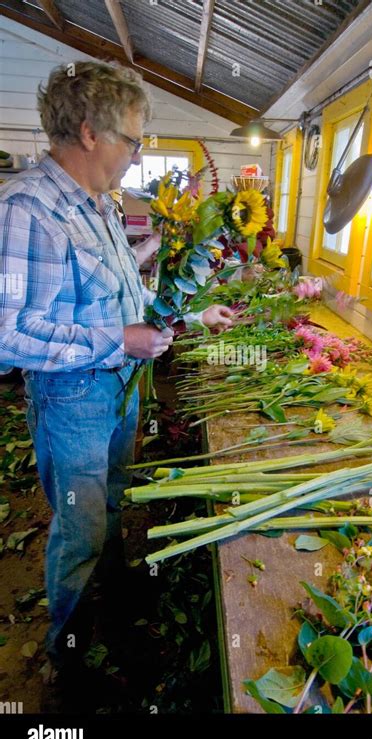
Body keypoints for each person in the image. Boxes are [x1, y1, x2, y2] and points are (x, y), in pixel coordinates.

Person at [0, 61, 233, 692]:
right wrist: (117, 340)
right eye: (132, 138)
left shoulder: (97, 203)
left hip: (117, 388)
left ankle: (114, 595)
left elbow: (126, 295)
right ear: (88, 132)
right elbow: (8, 335)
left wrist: (188, 310)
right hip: (74, 398)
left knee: (108, 504)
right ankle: (67, 655)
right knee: (79, 527)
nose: (136, 153)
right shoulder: (29, 210)